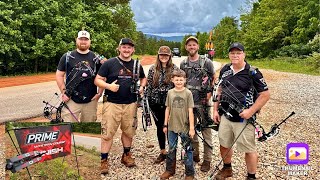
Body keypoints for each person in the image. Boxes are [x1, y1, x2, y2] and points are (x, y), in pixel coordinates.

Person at [213, 42, 270, 180]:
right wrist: (215, 110)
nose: (235, 55)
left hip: (244, 117)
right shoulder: (225, 69)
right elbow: (219, 89)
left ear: (244, 54)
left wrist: (251, 111)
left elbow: (265, 94)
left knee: (249, 149)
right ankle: (227, 169)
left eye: (238, 53)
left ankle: (251, 176)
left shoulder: (253, 73)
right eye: (232, 53)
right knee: (224, 144)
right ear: (229, 55)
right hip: (225, 115)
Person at [94, 38, 147, 174]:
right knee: (107, 133)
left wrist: (141, 87)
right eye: (124, 47)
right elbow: (97, 80)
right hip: (112, 104)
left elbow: (143, 78)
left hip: (131, 104)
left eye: (129, 47)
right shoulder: (109, 63)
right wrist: (109, 86)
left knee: (129, 132)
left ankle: (126, 155)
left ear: (133, 50)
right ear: (119, 48)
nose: (126, 50)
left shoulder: (136, 64)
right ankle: (103, 160)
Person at [180, 36, 216, 172]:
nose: (191, 47)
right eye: (189, 45)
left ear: (198, 47)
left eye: (194, 45)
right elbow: (180, 80)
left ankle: (207, 160)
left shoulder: (206, 62)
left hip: (203, 103)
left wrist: (209, 94)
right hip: (189, 103)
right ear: (186, 47)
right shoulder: (183, 63)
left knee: (206, 131)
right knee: (191, 130)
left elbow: (213, 78)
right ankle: (194, 154)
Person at [56, 30, 104, 122]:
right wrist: (63, 91)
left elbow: (103, 76)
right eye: (81, 39)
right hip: (71, 99)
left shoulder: (96, 58)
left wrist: (99, 93)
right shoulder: (67, 57)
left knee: (88, 131)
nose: (83, 41)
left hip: (91, 100)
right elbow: (59, 75)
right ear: (76, 40)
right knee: (69, 129)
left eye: (86, 39)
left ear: (90, 41)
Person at [160, 69, 195, 180]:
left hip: (184, 127)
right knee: (171, 148)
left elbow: (190, 111)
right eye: (177, 80)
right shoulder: (170, 93)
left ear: (185, 80)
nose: (179, 82)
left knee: (187, 149)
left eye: (181, 80)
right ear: (172, 80)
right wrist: (165, 124)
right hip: (171, 127)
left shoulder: (188, 93)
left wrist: (192, 128)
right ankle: (170, 170)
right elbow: (167, 109)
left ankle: (189, 173)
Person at [145, 46, 178, 164]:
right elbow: (149, 86)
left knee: (169, 128)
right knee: (159, 127)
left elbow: (178, 87)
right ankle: (163, 151)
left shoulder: (174, 69)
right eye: (161, 54)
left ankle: (172, 152)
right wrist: (147, 102)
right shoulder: (153, 69)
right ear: (158, 56)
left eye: (166, 55)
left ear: (170, 56)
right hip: (155, 103)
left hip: (169, 104)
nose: (164, 57)